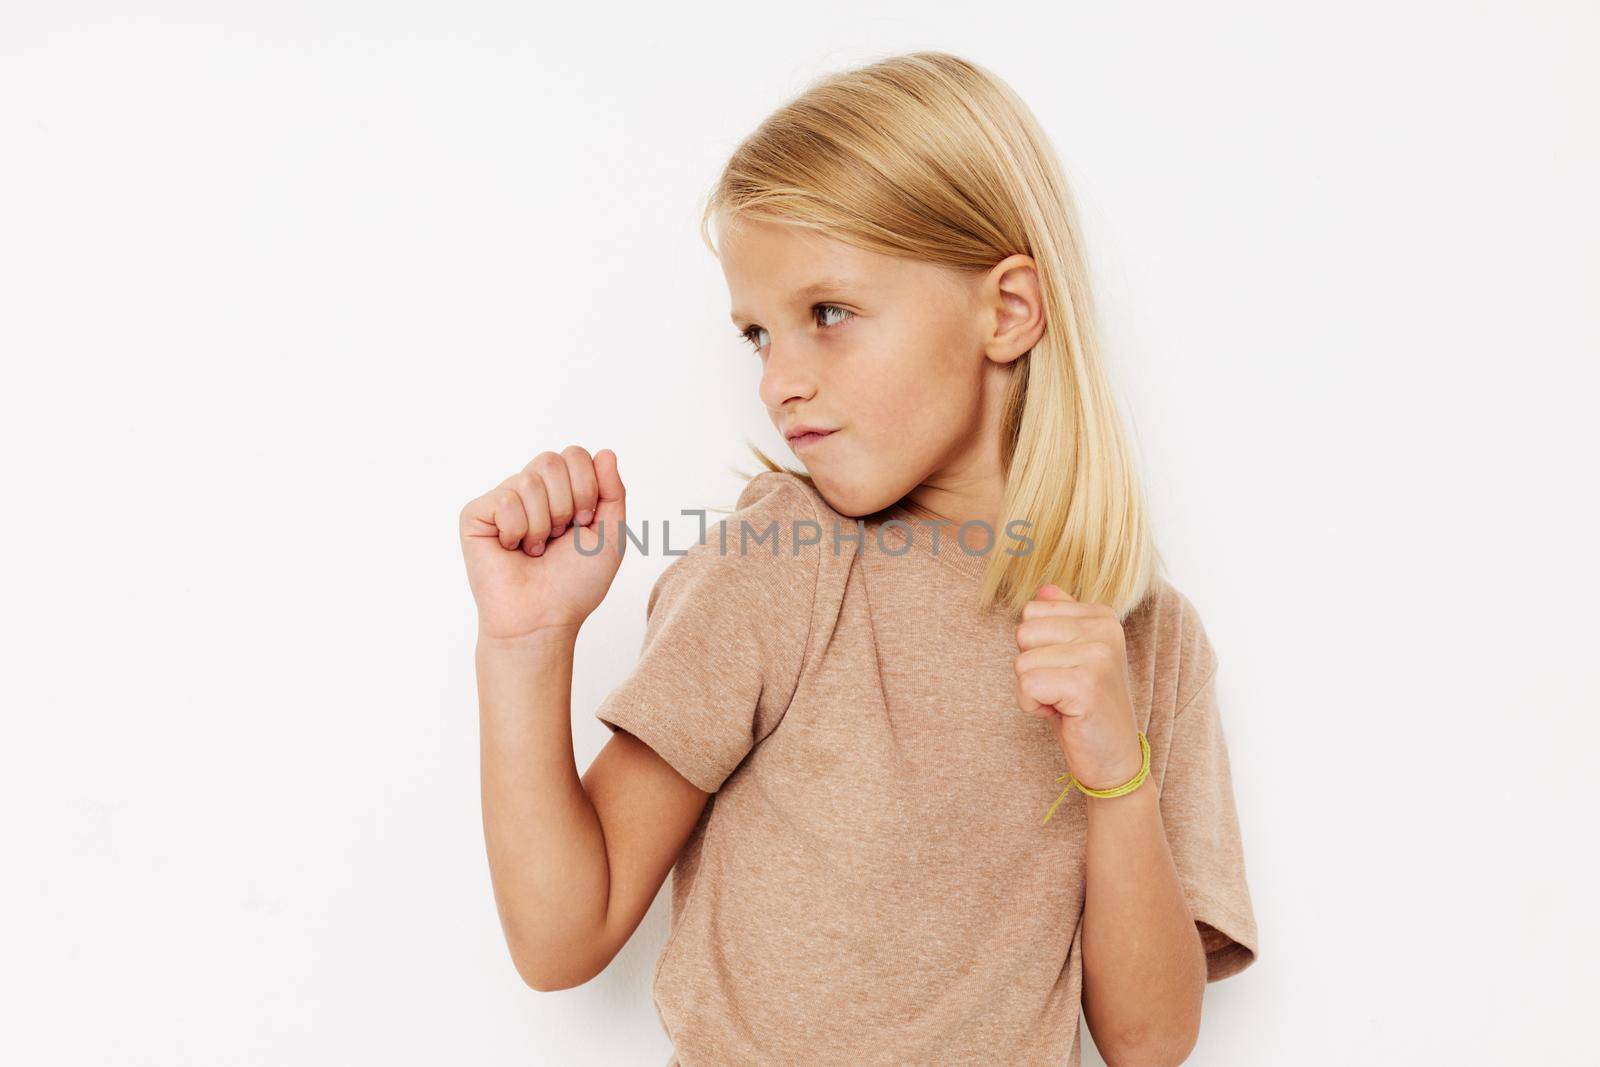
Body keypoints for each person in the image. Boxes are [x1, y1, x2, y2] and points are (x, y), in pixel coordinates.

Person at [460, 50, 1259, 1067]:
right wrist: (524, 647)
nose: (779, 381)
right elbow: (562, 934)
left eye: (826, 315)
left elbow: (1148, 1039)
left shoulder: (1145, 634)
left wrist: (1115, 772)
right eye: (756, 333)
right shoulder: (780, 562)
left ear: (1007, 310)